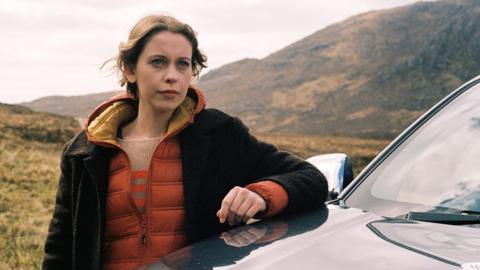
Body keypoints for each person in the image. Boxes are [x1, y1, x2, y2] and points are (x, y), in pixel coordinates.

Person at [42, 14, 328, 270]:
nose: (172, 76)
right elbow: (60, 249)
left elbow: (311, 179)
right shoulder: (85, 152)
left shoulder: (220, 135)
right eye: (158, 62)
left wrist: (261, 195)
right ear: (130, 70)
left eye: (183, 65)